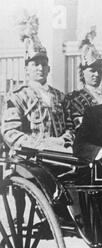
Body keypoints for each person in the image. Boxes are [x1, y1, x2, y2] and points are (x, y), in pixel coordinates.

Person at [1, 13, 72, 152]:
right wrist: (40, 146)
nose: (40, 68)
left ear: (49, 68)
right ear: (26, 69)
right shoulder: (17, 97)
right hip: (30, 159)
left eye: (44, 64)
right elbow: (10, 132)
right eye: (35, 64)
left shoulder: (60, 97)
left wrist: (63, 142)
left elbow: (71, 128)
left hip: (62, 156)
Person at [64, 26, 102, 132]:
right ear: (83, 73)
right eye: (92, 71)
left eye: (99, 71)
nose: (96, 74)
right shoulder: (74, 99)